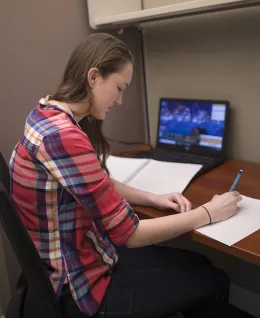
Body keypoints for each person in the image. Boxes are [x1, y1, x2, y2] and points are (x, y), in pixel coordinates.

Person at [9, 33, 241, 318]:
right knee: (214, 281)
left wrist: (153, 198)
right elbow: (131, 235)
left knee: (201, 263)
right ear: (94, 77)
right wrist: (209, 212)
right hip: (80, 287)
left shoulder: (45, 114)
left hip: (74, 261)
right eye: (119, 88)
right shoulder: (64, 136)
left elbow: (93, 180)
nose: (119, 100)